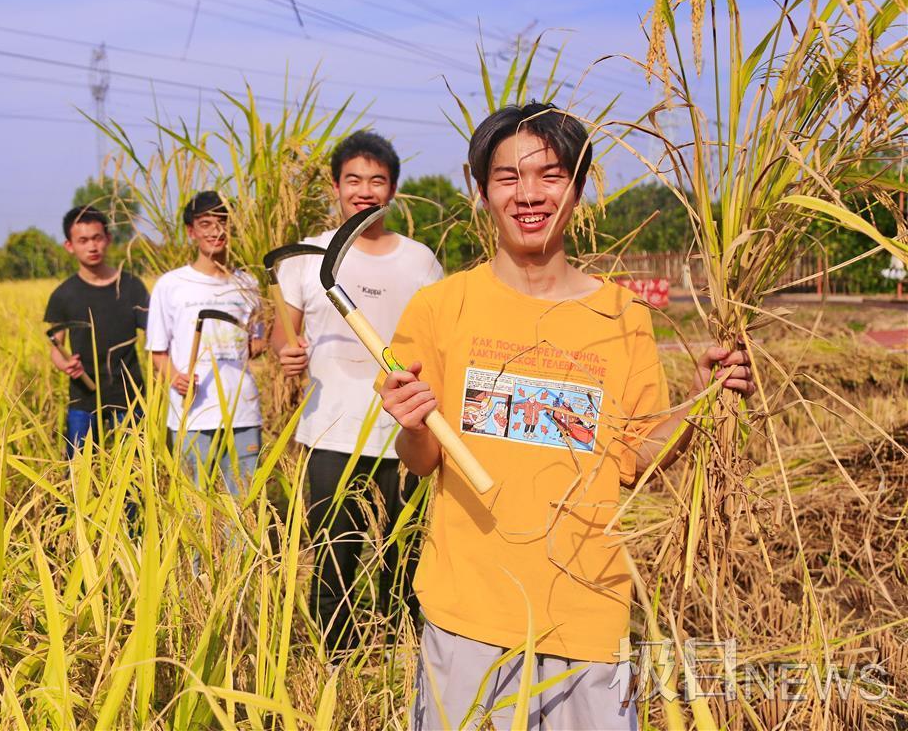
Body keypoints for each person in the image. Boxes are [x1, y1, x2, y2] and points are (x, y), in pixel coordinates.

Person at [377, 103, 755, 730]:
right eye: (507, 177)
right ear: (481, 191)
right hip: (468, 612)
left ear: (578, 188)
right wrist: (413, 425)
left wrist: (703, 400)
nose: (529, 194)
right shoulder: (443, 305)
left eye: (550, 175)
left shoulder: (621, 314)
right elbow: (421, 462)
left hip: (589, 611)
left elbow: (636, 457)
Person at [271, 130, 444, 653]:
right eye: (354, 180)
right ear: (336, 186)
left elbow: (439, 344)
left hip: (406, 435)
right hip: (329, 431)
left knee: (405, 554)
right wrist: (286, 351)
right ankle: (338, 662)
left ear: (392, 189)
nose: (364, 191)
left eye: (377, 180)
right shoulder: (305, 258)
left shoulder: (421, 262)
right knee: (333, 558)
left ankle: (399, 658)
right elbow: (283, 330)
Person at [147, 190, 264, 496]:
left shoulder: (248, 284)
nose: (217, 231)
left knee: (244, 506)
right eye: (206, 224)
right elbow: (157, 351)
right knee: (195, 508)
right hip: (193, 414)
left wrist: (266, 342)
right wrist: (175, 378)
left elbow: (256, 341)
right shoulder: (171, 285)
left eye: (223, 222)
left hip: (243, 412)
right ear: (191, 231)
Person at [44, 205, 149, 458]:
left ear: (108, 239)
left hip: (129, 396)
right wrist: (66, 364)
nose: (92, 246)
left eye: (97, 238)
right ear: (69, 245)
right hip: (84, 397)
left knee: (133, 474)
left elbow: (156, 337)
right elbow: (55, 347)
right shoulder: (63, 295)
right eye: (82, 240)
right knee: (79, 472)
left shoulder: (132, 286)